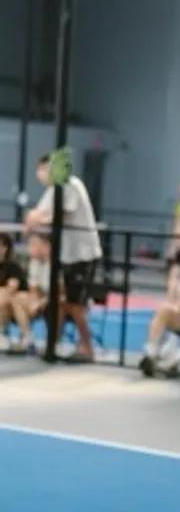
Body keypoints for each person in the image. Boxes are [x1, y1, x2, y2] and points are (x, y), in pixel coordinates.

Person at [25, 155, 102, 361]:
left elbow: (62, 214)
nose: (42, 174)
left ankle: (87, 347)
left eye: (44, 169)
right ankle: (54, 343)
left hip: (82, 254)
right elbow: (38, 214)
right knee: (63, 302)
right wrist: (33, 219)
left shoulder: (71, 185)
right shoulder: (52, 191)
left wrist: (39, 219)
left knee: (74, 304)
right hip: (66, 255)